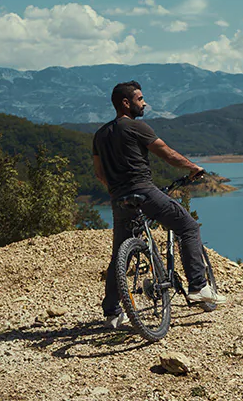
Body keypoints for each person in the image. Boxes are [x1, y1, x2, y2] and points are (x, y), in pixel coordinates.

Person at [92, 80, 226, 328]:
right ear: (126, 102)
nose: (144, 103)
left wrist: (115, 190)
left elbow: (100, 173)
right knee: (188, 227)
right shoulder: (136, 126)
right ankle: (198, 287)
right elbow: (166, 153)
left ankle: (112, 312)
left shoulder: (100, 135)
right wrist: (194, 167)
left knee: (119, 254)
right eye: (140, 99)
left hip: (119, 198)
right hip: (143, 190)